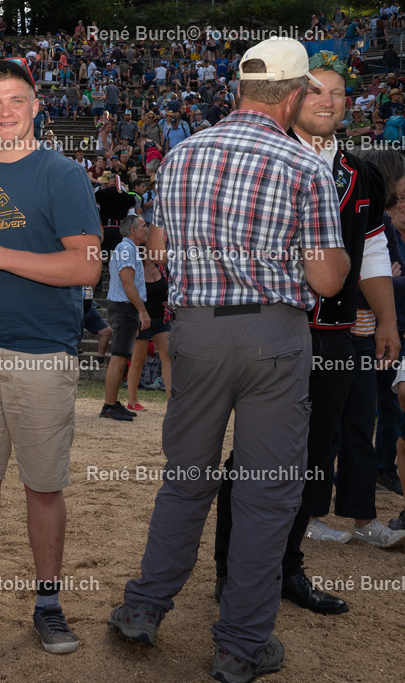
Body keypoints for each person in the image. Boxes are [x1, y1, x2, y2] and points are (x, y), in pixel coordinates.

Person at [107, 38, 349, 681]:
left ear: (237, 90)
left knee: (185, 478)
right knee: (269, 496)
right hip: (273, 335)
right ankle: (241, 643)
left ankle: (143, 609)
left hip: (196, 334)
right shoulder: (306, 167)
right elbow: (326, 281)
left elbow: (157, 256)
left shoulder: (181, 155)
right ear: (296, 95)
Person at [212, 52, 404, 623]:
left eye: (338, 93)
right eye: (315, 90)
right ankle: (231, 570)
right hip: (274, 325)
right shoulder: (266, 158)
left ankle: (288, 563)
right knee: (252, 458)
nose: (327, 100)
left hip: (337, 336)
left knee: (316, 455)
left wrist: (387, 320)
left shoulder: (361, 172)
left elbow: (372, 251)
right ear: (294, 94)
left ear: (350, 104)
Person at [0, 58, 101, 653]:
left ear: (36, 107)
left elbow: (86, 265)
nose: (5, 112)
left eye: (16, 100)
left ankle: (48, 601)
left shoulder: (62, 173)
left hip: (40, 354)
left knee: (43, 486)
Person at [101, 215, 150, 421]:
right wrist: (142, 310)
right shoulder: (126, 249)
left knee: (121, 358)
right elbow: (127, 282)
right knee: (119, 358)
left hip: (125, 307)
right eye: (144, 226)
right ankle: (109, 406)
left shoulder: (128, 249)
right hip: (124, 307)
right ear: (133, 230)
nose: (147, 229)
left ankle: (112, 404)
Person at [125, 259, 172, 409]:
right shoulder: (136, 267)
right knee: (138, 361)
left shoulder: (162, 267)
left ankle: (171, 402)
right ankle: (132, 401)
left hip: (161, 318)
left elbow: (167, 289)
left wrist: (167, 300)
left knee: (167, 357)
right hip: (143, 320)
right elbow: (130, 292)